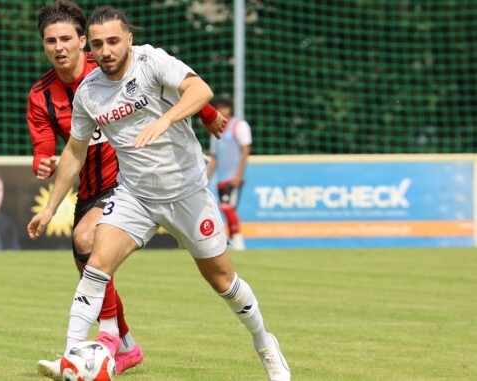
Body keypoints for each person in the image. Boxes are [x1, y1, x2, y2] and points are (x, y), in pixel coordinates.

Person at [28, 5, 290, 381]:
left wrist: (166, 120)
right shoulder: (89, 91)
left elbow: (200, 89)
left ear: (128, 39)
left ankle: (265, 345)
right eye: (99, 44)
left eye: (114, 41)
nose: (106, 51)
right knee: (95, 266)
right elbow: (73, 150)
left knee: (223, 283)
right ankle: (72, 355)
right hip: (135, 194)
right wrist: (50, 207)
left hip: (186, 191)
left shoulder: (151, 62)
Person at [207, 98, 252, 251]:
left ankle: (238, 238)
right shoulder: (215, 129)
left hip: (233, 177)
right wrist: (206, 178)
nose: (222, 111)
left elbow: (245, 150)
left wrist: (238, 175)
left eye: (224, 107)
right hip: (221, 177)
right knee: (224, 207)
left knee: (227, 207)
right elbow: (214, 157)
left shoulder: (239, 126)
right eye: (219, 107)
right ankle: (233, 238)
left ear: (230, 109)